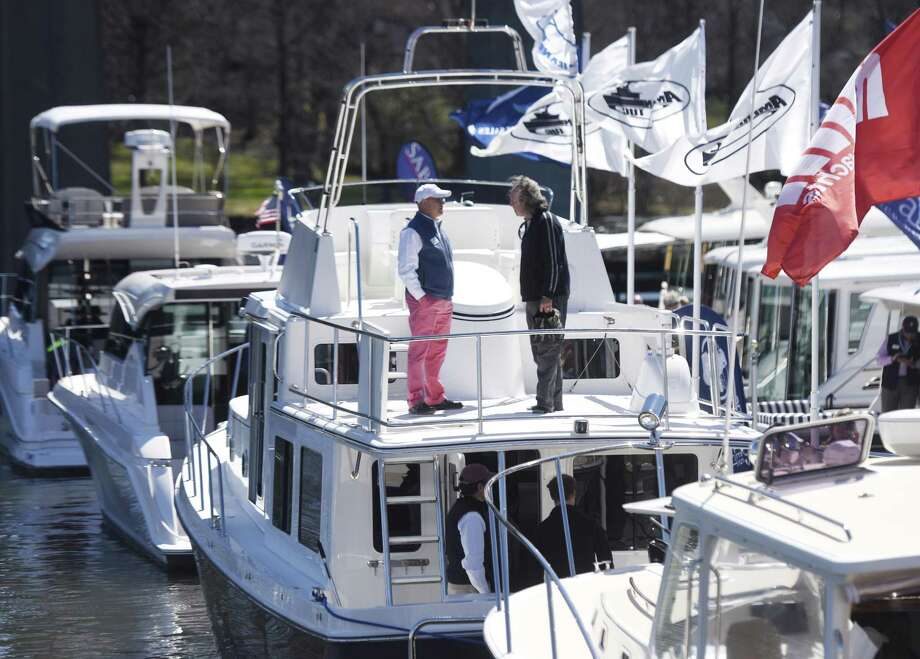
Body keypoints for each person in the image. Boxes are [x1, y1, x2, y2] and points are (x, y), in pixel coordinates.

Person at [397, 183, 464, 415]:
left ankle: (434, 397)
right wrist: (422, 298)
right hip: (427, 301)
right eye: (438, 199)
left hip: (443, 300)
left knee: (437, 351)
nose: (442, 203)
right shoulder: (412, 231)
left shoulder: (436, 228)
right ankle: (416, 400)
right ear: (424, 202)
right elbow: (406, 269)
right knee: (421, 351)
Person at [509, 175, 570, 414]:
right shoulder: (533, 222)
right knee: (544, 351)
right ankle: (554, 403)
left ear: (526, 198)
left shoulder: (545, 221)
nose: (511, 203)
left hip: (547, 298)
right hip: (537, 297)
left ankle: (545, 404)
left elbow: (555, 263)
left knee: (547, 351)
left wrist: (548, 296)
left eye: (513, 198)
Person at [536, 474, 610, 578]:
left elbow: (534, 571)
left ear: (552, 496)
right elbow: (607, 563)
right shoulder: (591, 525)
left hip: (559, 588)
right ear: (574, 493)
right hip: (585, 586)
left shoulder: (542, 530)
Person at [445, 463, 494, 595]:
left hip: (464, 584)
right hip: (469, 587)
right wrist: (485, 592)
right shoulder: (472, 516)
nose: (491, 487)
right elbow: (473, 562)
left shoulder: (461, 507)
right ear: (479, 487)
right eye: (489, 484)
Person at [876, 315, 920, 412]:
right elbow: (879, 359)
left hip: (910, 383)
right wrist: (892, 359)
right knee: (888, 412)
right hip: (890, 382)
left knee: (906, 414)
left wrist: (914, 364)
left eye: (912, 333)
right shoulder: (891, 338)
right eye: (907, 332)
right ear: (903, 329)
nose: (910, 336)